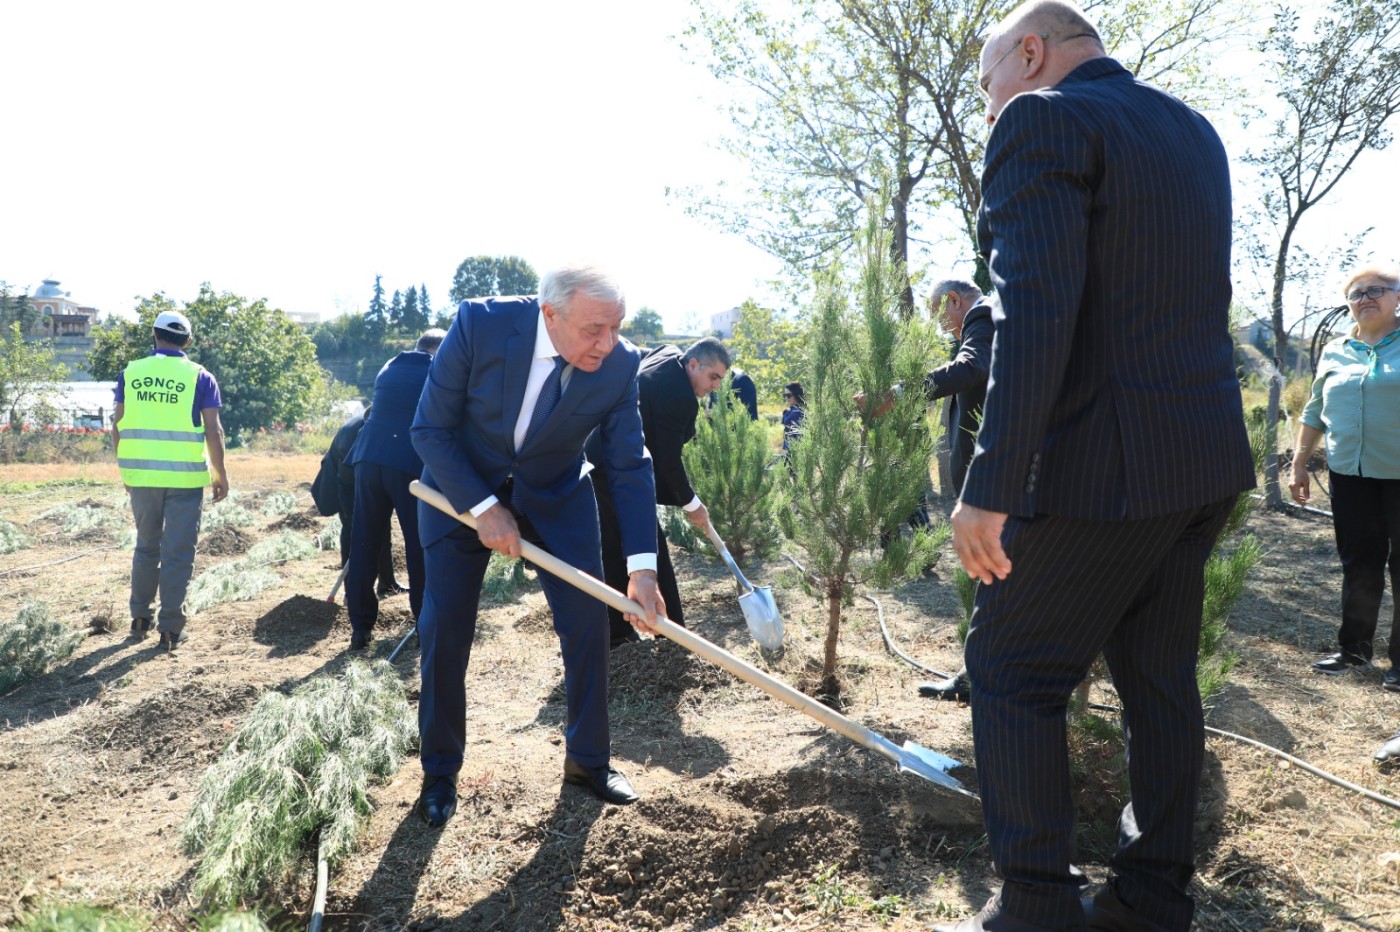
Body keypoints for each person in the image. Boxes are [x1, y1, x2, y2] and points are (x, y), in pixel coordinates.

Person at [940, 3, 1255, 930]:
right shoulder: (1191, 130)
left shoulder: (1044, 119)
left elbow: (1036, 316)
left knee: (1010, 670)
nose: (988, 103)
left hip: (1100, 472)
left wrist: (988, 486)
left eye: (989, 79)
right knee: (1159, 686)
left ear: (1030, 53)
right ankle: (1152, 900)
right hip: (1199, 463)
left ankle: (1037, 904)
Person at [410, 265, 667, 827]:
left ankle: (588, 761)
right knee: (445, 626)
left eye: (617, 327)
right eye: (594, 329)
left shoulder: (621, 364)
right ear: (550, 315)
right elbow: (429, 429)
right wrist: (483, 507)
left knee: (589, 622)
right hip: (458, 492)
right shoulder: (481, 324)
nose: (608, 343)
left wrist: (643, 569)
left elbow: (628, 464)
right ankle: (439, 770)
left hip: (556, 494)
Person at [1289, 266, 1400, 689]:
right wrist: (1300, 463)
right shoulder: (1336, 350)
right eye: (1356, 293)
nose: (1366, 297)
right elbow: (1315, 410)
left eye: (1377, 290)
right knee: (1359, 565)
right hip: (1349, 475)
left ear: (1397, 297)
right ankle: (1353, 650)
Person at [589, 337, 730, 648]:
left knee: (614, 545)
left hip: (600, 455)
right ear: (694, 364)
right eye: (713, 377)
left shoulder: (667, 353)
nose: (715, 386)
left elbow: (636, 353)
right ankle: (672, 633)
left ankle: (616, 632)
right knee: (648, 544)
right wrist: (692, 504)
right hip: (614, 464)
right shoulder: (680, 396)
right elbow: (668, 462)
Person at [113, 310, 228, 651]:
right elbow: (214, 429)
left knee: (146, 546)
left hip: (142, 475)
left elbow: (117, 425)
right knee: (178, 553)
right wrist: (220, 473)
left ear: (154, 335)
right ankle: (171, 629)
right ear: (187, 341)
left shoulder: (131, 373)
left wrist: (127, 471)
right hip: (185, 480)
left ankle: (139, 619)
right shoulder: (200, 377)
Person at [343, 329, 444, 650]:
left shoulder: (390, 365)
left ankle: (360, 627)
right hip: (407, 463)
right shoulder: (436, 370)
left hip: (367, 459)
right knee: (418, 543)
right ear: (438, 350)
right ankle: (424, 623)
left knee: (364, 541)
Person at [916, 279, 992, 704]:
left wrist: (901, 391)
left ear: (955, 300)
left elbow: (971, 369)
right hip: (1000, 479)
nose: (947, 329)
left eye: (942, 317)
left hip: (994, 484)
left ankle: (976, 679)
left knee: (990, 579)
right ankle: (976, 674)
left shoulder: (983, 314)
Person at [310, 407, 402, 596]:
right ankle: (352, 589)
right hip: (343, 479)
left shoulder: (382, 426)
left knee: (382, 526)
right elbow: (347, 482)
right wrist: (354, 517)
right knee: (353, 531)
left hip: (367, 473)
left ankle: (387, 583)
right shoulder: (352, 437)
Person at [781, 381, 805, 457]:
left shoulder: (798, 412)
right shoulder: (794, 410)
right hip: (790, 452)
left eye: (788, 395)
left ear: (796, 394)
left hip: (794, 454)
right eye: (785, 395)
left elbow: (799, 436)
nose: (786, 398)